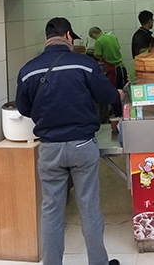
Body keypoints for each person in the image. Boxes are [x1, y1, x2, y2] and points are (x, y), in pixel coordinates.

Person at [16, 17, 123, 265]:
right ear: (67, 37)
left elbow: (24, 108)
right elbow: (107, 95)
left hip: (49, 147)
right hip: (82, 145)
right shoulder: (84, 64)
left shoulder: (28, 70)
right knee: (89, 206)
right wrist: (116, 94)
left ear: (46, 38)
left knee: (52, 209)